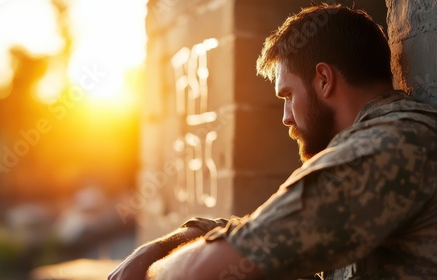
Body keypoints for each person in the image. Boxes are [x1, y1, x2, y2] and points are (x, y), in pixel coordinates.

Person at [109, 4, 437, 280]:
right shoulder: (384, 139)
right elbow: (266, 228)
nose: (286, 117)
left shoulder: (384, 147)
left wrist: (149, 271)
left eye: (288, 95)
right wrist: (175, 239)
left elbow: (206, 267)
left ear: (324, 80)